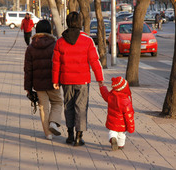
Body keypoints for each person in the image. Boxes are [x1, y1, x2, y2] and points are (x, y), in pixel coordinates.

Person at [52, 11, 104, 146]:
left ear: (68, 22)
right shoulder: (87, 40)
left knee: (68, 106)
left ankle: (69, 136)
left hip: (66, 80)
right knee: (81, 107)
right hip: (83, 80)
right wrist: (100, 79)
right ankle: (79, 137)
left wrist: (55, 81)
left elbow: (56, 63)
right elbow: (94, 61)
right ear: (80, 23)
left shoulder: (60, 41)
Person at [24, 20, 63, 140]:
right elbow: (60, 64)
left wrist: (28, 88)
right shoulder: (55, 45)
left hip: (38, 84)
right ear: (49, 30)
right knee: (57, 102)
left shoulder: (31, 48)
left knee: (43, 107)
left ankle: (48, 134)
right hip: (53, 82)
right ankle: (53, 122)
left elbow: (28, 70)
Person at [99, 77, 135, 151]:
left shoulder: (111, 95)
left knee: (112, 131)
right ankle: (120, 145)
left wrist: (102, 87)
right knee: (121, 135)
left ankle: (113, 138)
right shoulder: (126, 101)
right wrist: (131, 128)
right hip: (122, 124)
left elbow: (105, 95)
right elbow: (129, 116)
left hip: (112, 121)